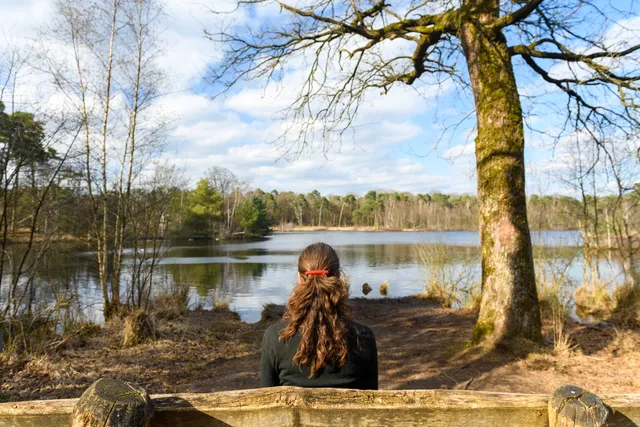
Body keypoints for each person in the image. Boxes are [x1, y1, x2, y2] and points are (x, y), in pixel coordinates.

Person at [261, 242, 378, 390]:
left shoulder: (275, 338)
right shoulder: (363, 337)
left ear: (300, 278)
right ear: (337, 277)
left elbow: (268, 397)